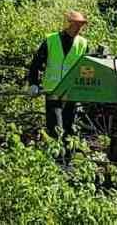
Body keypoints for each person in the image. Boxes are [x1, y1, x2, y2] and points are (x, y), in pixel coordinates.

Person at [28, 10, 88, 138]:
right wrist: (34, 84)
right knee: (56, 129)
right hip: (53, 92)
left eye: (81, 25)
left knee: (69, 131)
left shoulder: (83, 44)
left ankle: (67, 158)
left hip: (72, 94)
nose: (79, 28)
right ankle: (56, 158)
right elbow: (36, 64)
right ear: (68, 23)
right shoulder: (51, 40)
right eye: (76, 24)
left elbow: (87, 69)